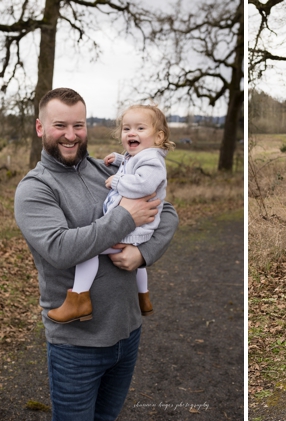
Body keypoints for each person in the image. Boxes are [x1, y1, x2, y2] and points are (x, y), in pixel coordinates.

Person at [14, 88, 178, 420]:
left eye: (79, 125)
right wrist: (125, 218)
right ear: (40, 127)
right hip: (77, 346)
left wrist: (142, 254)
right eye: (61, 125)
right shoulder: (35, 188)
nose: (71, 135)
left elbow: (168, 212)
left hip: (128, 331)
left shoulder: (104, 170)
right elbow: (61, 249)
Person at [48, 104, 173, 323]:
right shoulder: (139, 156)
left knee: (87, 251)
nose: (131, 133)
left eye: (140, 128)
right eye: (126, 129)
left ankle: (79, 299)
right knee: (91, 248)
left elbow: (144, 184)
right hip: (137, 229)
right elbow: (130, 164)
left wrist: (116, 181)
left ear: (159, 136)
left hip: (133, 231)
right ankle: (144, 297)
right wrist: (118, 159)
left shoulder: (151, 160)